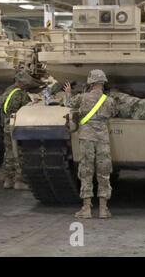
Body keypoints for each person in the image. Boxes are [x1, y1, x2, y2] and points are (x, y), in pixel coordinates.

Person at [64, 70, 116, 219]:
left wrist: (68, 92)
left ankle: (86, 209)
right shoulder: (109, 100)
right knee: (103, 171)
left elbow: (68, 103)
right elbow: (113, 112)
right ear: (103, 83)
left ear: (91, 83)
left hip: (86, 137)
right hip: (102, 138)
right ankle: (103, 209)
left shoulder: (82, 97)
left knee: (86, 171)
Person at [1, 70, 32, 190]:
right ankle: (19, 180)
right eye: (24, 83)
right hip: (16, 126)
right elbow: (27, 108)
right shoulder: (20, 94)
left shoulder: (8, 91)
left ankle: (8, 179)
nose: (25, 85)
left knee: (8, 153)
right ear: (19, 81)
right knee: (18, 153)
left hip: (7, 125)